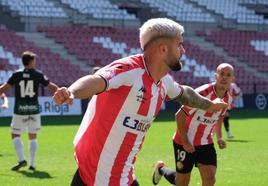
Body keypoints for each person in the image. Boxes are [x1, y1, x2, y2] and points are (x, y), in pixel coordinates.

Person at [52, 18, 227, 186]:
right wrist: (71, 92)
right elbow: (96, 80)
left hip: (122, 176)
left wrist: (210, 105)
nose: (183, 50)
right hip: (98, 176)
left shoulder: (164, 82)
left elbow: (185, 94)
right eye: (179, 44)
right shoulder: (130, 70)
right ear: (163, 49)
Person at [152, 63, 235, 186]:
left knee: (210, 179)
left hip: (205, 142)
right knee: (181, 182)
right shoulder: (201, 94)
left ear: (232, 79)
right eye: (221, 74)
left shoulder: (228, 99)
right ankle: (161, 169)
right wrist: (185, 142)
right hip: (184, 141)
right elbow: (179, 115)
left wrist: (219, 138)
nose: (224, 77)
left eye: (228, 75)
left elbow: (219, 117)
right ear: (215, 76)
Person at [0, 51, 58, 171]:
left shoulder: (16, 74)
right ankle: (32, 164)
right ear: (30, 61)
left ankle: (22, 160)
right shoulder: (38, 74)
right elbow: (51, 86)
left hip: (20, 110)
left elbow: (4, 88)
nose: (35, 62)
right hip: (34, 110)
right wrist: (63, 93)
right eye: (34, 60)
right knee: (33, 136)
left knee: (15, 134)